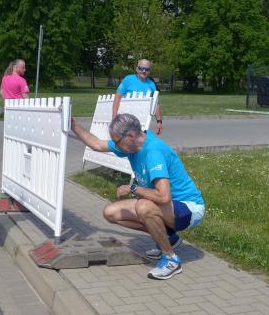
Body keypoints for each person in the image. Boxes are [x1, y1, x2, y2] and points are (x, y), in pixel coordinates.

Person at [69, 113, 205, 280]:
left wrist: (133, 188)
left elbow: (163, 196)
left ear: (131, 136)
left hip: (189, 208)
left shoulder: (153, 152)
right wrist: (73, 125)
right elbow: (97, 144)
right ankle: (169, 237)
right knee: (110, 212)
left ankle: (171, 259)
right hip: (167, 207)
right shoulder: (130, 146)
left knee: (143, 207)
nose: (116, 146)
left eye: (117, 142)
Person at [112, 59, 163, 135]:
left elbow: (156, 104)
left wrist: (159, 121)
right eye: (141, 68)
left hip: (142, 123)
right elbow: (117, 98)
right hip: (126, 121)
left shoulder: (152, 84)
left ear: (149, 71)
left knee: (141, 141)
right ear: (137, 69)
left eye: (147, 69)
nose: (144, 71)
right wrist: (114, 117)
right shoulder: (128, 79)